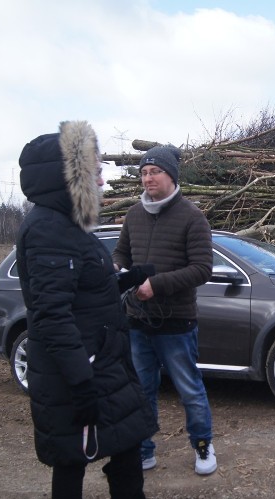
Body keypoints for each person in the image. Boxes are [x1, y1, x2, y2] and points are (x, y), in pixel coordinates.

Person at [15, 121, 180, 499]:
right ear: (66, 176)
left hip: (104, 359)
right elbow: (51, 313)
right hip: (77, 368)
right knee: (71, 458)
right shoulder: (47, 228)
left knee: (127, 445)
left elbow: (83, 288)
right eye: (94, 169)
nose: (103, 177)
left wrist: (125, 278)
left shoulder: (70, 226)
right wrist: (80, 379)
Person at [112, 144, 217, 476]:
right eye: (143, 172)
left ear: (171, 174)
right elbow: (121, 254)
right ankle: (145, 450)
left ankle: (203, 447)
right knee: (141, 390)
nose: (147, 178)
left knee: (189, 389)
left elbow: (202, 269)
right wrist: (117, 269)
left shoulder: (192, 217)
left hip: (177, 323)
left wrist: (156, 285)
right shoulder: (133, 215)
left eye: (154, 171)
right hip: (137, 321)